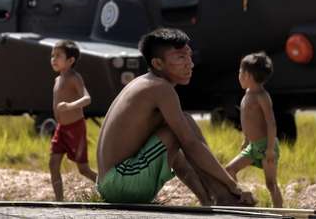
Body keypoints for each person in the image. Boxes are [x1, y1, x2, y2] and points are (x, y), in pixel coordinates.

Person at [96, 28, 255, 206]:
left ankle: (211, 199)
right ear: (157, 63)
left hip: (110, 185)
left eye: (189, 56)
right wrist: (232, 184)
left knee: (177, 137)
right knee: (183, 126)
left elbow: (180, 161)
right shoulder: (160, 88)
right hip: (122, 183)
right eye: (180, 57)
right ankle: (224, 196)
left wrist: (207, 199)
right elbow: (191, 144)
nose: (190, 64)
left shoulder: (145, 83)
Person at [225, 52, 283, 208]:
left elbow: (271, 123)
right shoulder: (247, 93)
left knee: (271, 184)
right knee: (229, 170)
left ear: (248, 75)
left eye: (240, 72)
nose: (238, 76)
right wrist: (246, 140)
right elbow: (248, 121)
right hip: (253, 146)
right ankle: (244, 197)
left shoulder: (262, 96)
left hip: (266, 146)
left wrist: (270, 149)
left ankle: (281, 212)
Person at [48, 40, 98, 201]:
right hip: (61, 128)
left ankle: (108, 187)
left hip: (75, 128)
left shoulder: (74, 77)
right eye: (52, 55)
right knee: (53, 164)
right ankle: (59, 201)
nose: (54, 59)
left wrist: (70, 105)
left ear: (70, 61)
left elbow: (87, 98)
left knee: (83, 169)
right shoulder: (58, 79)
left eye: (58, 56)